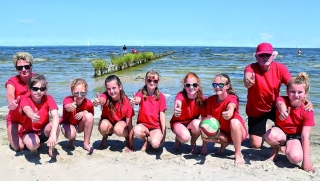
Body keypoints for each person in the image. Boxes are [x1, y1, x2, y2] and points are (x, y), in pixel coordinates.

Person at [244, 42, 312, 149]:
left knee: (289, 115)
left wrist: (305, 100)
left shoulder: (280, 68)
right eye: (261, 55)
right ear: (256, 56)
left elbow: (293, 87)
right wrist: (247, 80)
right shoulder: (251, 67)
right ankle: (266, 129)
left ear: (273, 56)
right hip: (256, 110)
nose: (265, 57)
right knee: (255, 145)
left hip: (274, 107)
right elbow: (247, 75)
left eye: (268, 55)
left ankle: (287, 138)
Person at [264, 72, 315, 172]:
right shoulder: (282, 99)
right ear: (287, 91)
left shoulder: (307, 110)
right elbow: (280, 103)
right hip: (281, 132)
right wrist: (283, 111)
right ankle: (276, 148)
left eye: (300, 92)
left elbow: (305, 136)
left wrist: (306, 161)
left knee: (295, 158)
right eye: (292, 91)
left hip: (295, 136)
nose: (296, 95)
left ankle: (287, 147)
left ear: (305, 93)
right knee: (269, 135)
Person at [201, 73, 247, 164]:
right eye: (215, 84)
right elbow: (208, 119)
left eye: (221, 84)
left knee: (234, 122)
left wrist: (230, 111)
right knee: (204, 131)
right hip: (222, 134)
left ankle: (237, 154)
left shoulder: (233, 97)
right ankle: (224, 143)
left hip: (238, 133)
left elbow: (232, 105)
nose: (217, 87)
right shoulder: (210, 100)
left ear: (227, 86)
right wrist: (204, 147)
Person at [18, 74, 60, 157]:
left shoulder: (48, 98)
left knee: (55, 125)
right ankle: (34, 149)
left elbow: (55, 115)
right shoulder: (25, 99)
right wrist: (32, 115)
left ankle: (51, 148)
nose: (39, 91)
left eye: (42, 89)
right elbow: (26, 109)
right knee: (34, 145)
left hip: (43, 131)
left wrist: (53, 134)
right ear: (29, 89)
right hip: (28, 132)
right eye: (35, 89)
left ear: (45, 90)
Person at [93, 75, 135, 152]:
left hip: (121, 123)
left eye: (114, 88)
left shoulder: (127, 102)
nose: (111, 91)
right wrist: (99, 101)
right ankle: (105, 137)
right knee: (103, 126)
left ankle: (126, 138)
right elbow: (102, 100)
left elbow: (129, 126)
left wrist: (131, 145)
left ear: (120, 87)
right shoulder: (105, 95)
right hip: (108, 122)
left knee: (118, 129)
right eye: (108, 89)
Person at [170, 72, 206, 154]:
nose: (191, 87)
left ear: (198, 85)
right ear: (184, 86)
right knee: (184, 138)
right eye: (188, 85)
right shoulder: (181, 95)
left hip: (192, 124)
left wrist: (204, 147)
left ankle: (193, 143)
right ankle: (178, 138)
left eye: (194, 85)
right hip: (178, 122)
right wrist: (177, 107)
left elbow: (204, 120)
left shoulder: (202, 99)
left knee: (199, 123)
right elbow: (178, 100)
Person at [5, 52, 34, 151]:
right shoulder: (13, 81)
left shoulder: (37, 79)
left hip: (31, 119)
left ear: (31, 66)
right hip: (15, 119)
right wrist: (12, 102)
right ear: (16, 69)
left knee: (38, 146)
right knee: (19, 147)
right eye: (20, 68)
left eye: (27, 66)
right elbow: (9, 94)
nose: (24, 70)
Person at [131, 70, 166, 151]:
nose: (152, 82)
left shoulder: (161, 97)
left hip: (155, 127)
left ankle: (152, 137)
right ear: (145, 80)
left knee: (155, 144)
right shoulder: (141, 93)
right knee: (136, 130)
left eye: (155, 81)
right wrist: (134, 100)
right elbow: (138, 99)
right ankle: (145, 140)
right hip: (143, 125)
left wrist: (164, 132)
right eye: (149, 80)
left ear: (158, 82)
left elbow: (162, 115)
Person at [60, 78, 94, 153]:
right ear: (72, 92)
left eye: (82, 93)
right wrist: (70, 107)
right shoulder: (68, 99)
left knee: (89, 116)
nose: (79, 96)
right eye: (76, 93)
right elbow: (67, 106)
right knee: (71, 134)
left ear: (86, 92)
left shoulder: (89, 103)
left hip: (79, 125)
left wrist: (84, 112)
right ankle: (71, 140)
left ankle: (86, 143)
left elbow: (91, 117)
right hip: (67, 124)